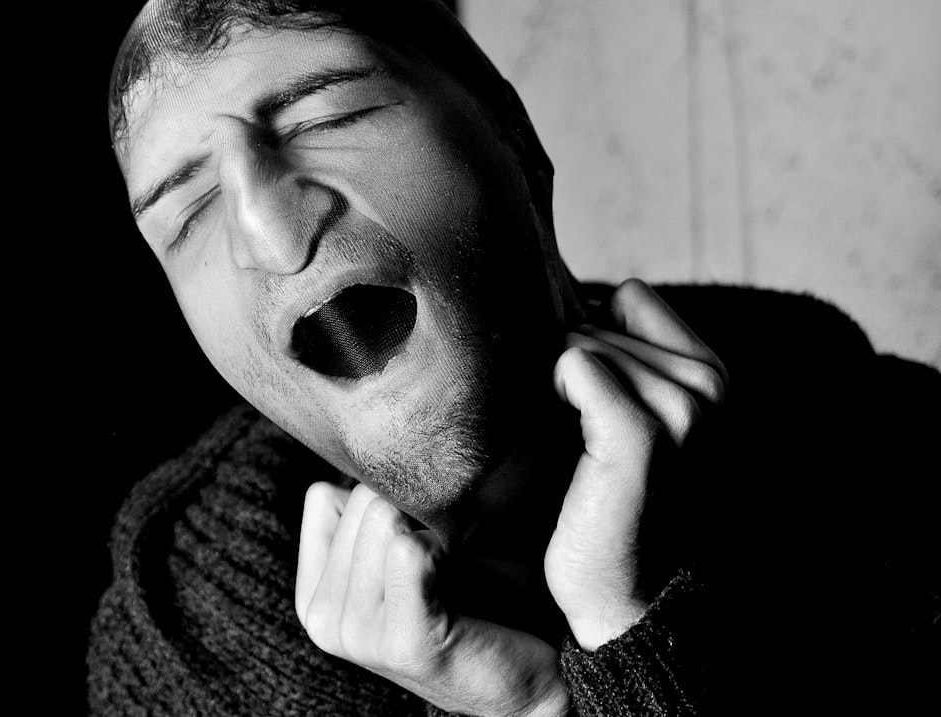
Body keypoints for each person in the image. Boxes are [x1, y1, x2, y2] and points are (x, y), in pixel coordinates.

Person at [88, 1, 939, 715]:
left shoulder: (904, 464)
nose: (271, 238)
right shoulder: (179, 648)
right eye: (186, 211)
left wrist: (618, 645)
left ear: (516, 139)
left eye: (327, 115)